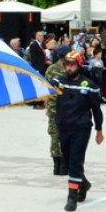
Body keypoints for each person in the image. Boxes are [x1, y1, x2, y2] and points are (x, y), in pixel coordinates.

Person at [52, 50, 104, 212]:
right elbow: (46, 84)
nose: (69, 68)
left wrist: (99, 130)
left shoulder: (89, 86)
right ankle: (84, 184)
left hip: (81, 128)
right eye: (67, 64)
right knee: (67, 162)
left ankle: (72, 197)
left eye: (72, 64)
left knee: (75, 161)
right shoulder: (59, 82)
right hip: (63, 127)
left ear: (79, 66)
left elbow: (97, 110)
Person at [45, 45, 70, 175]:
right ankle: (64, 166)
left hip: (53, 106)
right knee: (65, 135)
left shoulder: (50, 69)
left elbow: (46, 89)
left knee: (54, 135)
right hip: (66, 107)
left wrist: (47, 106)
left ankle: (56, 166)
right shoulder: (69, 68)